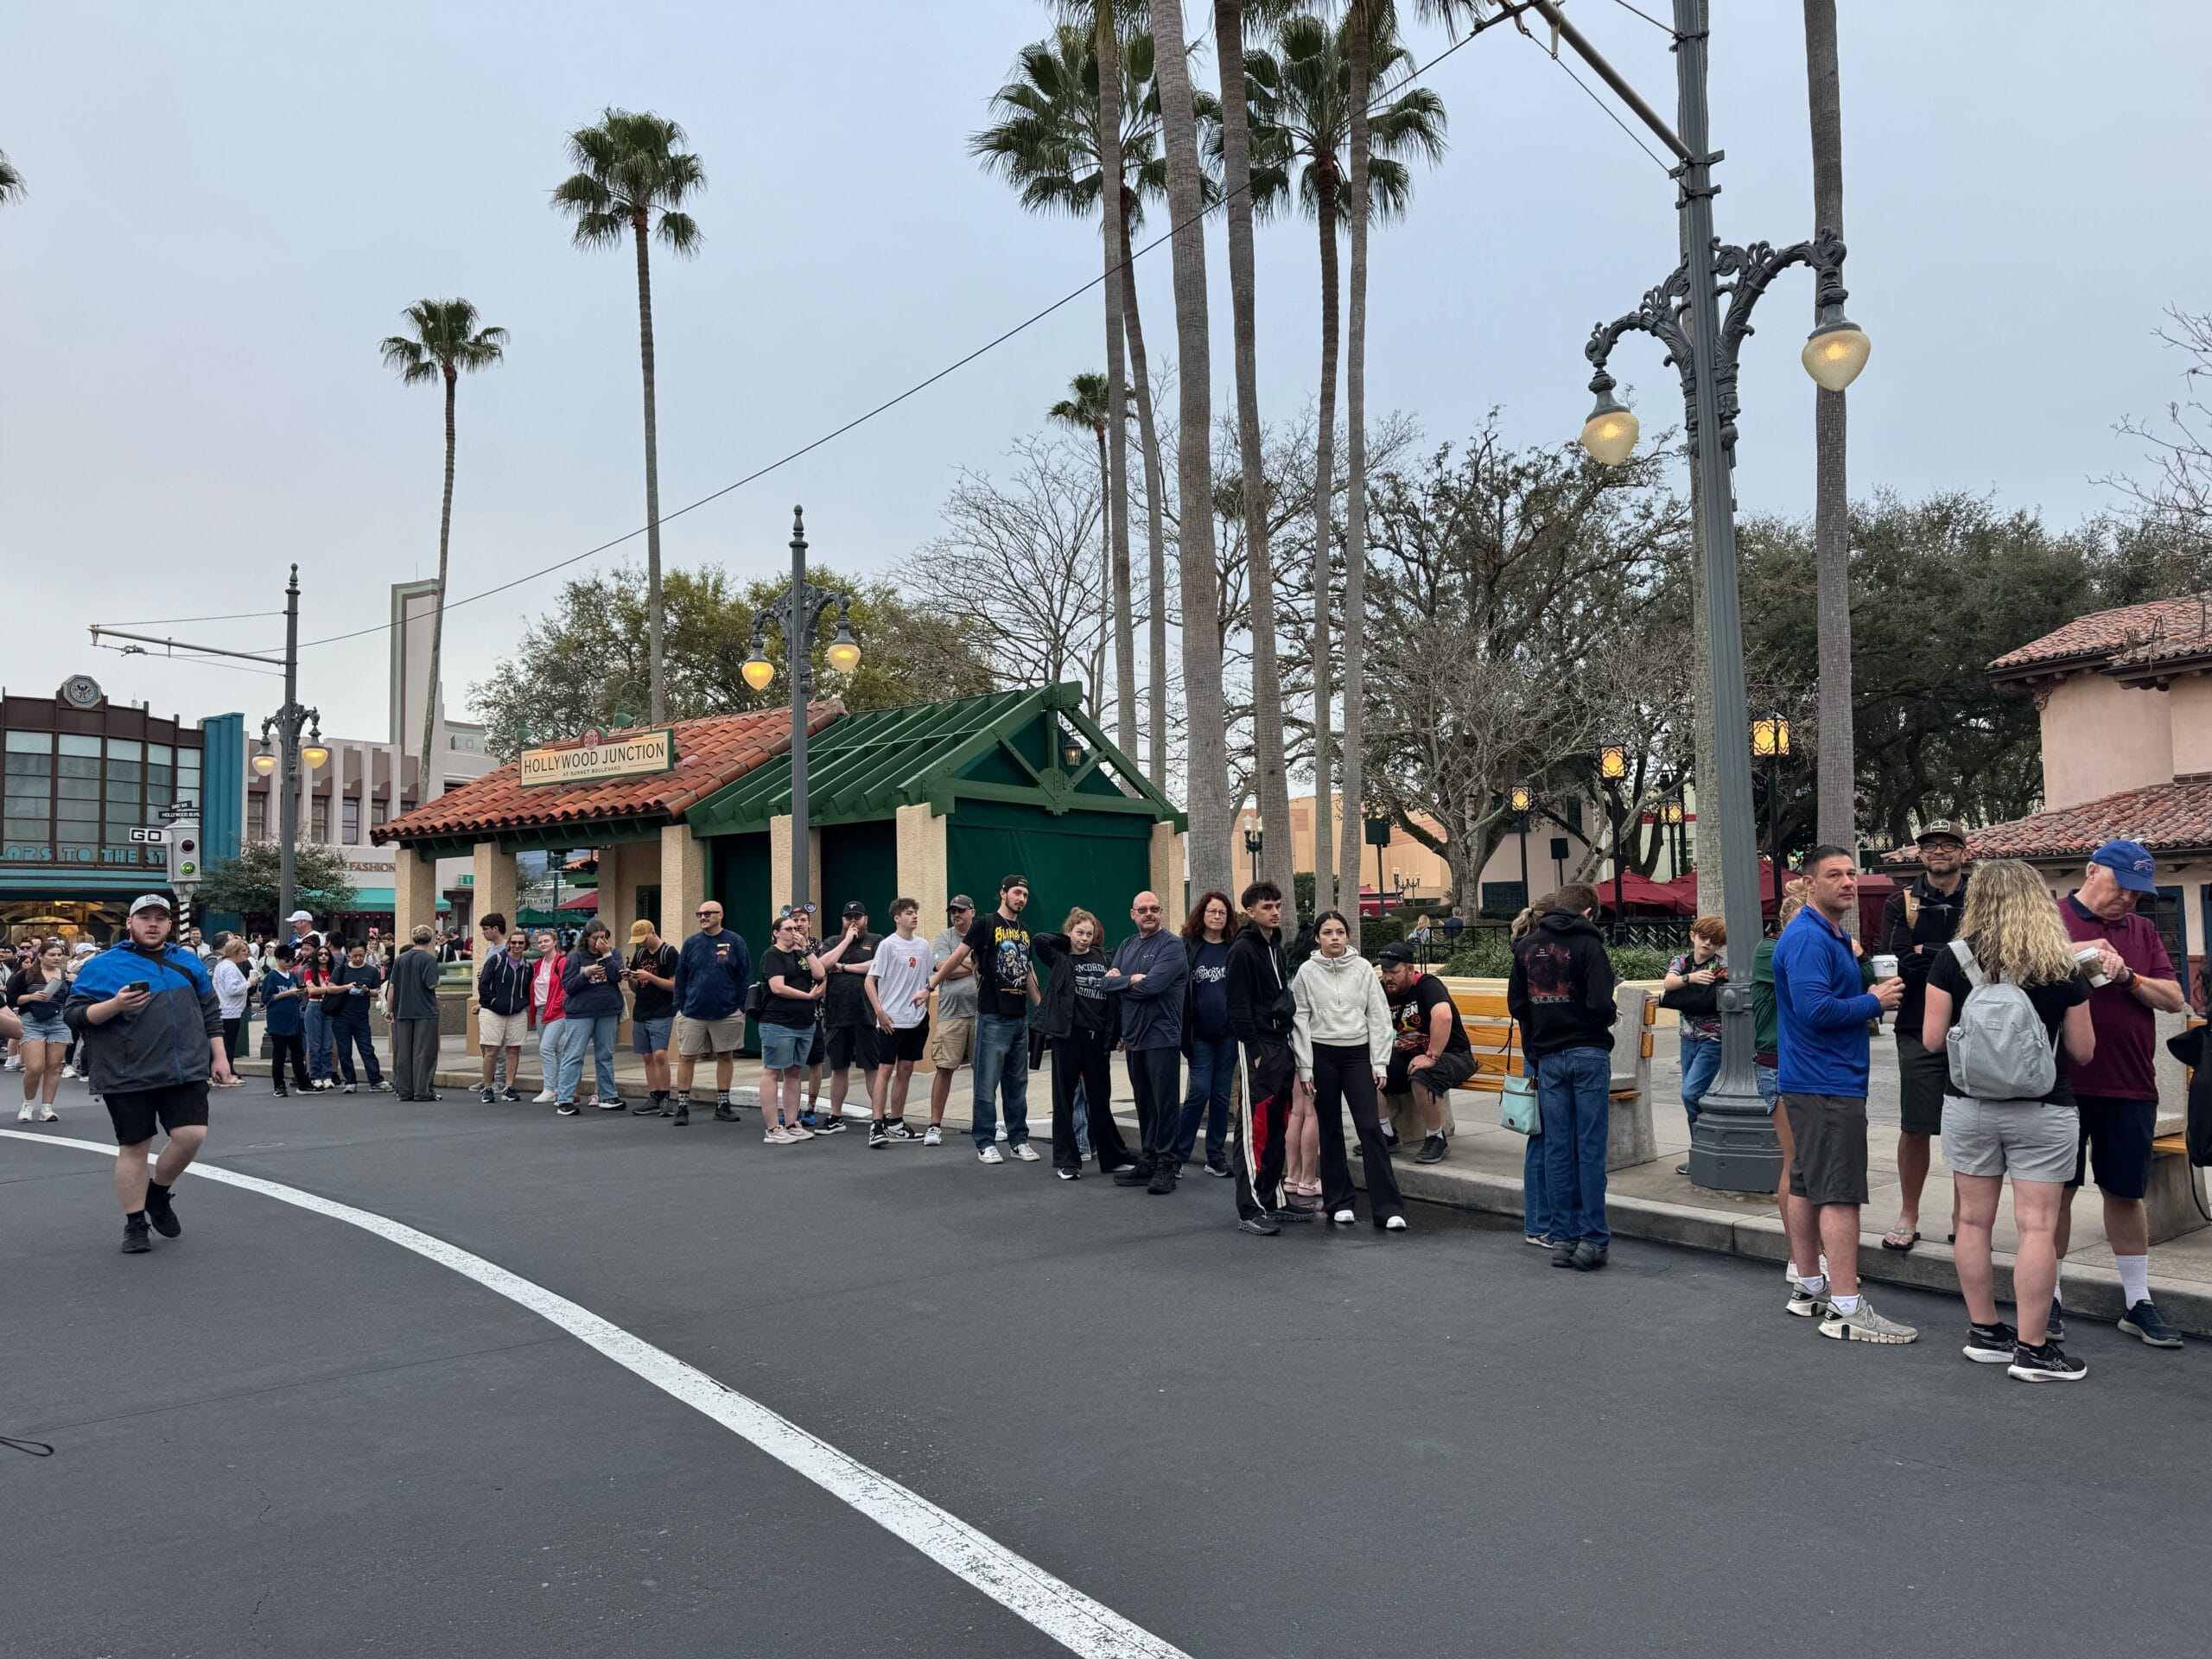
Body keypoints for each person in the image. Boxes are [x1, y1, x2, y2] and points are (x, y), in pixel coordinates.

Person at [1923, 858, 2095, 1381]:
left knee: (1972, 1222)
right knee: (2036, 1227)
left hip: (1970, 1107)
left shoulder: (1952, 960)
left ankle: (1984, 1333)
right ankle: (2034, 1349)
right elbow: (2084, 1051)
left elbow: (1932, 1041)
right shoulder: (2060, 964)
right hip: (2044, 1109)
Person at [2054, 838, 2191, 1349]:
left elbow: (2173, 997)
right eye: (2122, 888)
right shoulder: (2051, 919)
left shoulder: (2143, 931)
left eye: (2138, 893)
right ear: (2092, 871)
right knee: (2057, 1193)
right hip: (2061, 1083)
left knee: (2126, 1193)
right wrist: (2075, 952)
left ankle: (2138, 1300)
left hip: (2130, 1082)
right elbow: (2008, 962)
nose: (2129, 901)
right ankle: (2050, 1296)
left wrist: (2129, 976)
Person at [1771, 847, 1912, 1341]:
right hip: (1827, 1081)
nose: (1848, 882)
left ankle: (1808, 1285)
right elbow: (1815, 1010)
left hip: (1812, 1080)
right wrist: (1873, 1000)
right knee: (1840, 1191)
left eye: (1852, 873)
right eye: (1835, 875)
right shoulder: (1810, 937)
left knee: (1809, 1183)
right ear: (1809, 884)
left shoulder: (1824, 934)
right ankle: (1847, 1306)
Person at [64, 893, 235, 1253]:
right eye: (145, 917)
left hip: (185, 1066)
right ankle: (135, 1223)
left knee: (191, 1135)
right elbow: (75, 1015)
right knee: (134, 1147)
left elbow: (210, 1012)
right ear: (130, 923)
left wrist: (220, 1058)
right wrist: (115, 1004)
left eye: (160, 917)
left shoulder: (187, 962)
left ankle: (157, 1194)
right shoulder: (104, 965)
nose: (153, 923)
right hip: (127, 1072)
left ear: (171, 924)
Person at [1509, 885, 1618, 1271]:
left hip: (1548, 1055)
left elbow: (1518, 1005)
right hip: (1588, 1051)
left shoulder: (1526, 948)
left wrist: (1537, 1045)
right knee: (1589, 1147)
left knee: (1557, 1147)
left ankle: (1563, 1237)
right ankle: (1592, 1238)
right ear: (1587, 912)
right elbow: (1601, 1005)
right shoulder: (1589, 947)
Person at [1877, 822, 1971, 1253]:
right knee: (1915, 1125)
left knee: (1968, 1128)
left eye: (1948, 845)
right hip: (1916, 1026)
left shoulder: (1980, 898)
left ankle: (1963, 1218)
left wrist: (1925, 953)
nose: (1939, 851)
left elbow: (1988, 952)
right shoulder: (1901, 902)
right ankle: (1908, 1214)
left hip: (1976, 1027)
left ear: (1963, 853)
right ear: (1920, 854)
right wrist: (1953, 954)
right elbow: (1899, 963)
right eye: (1930, 845)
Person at [1289, 910, 1406, 1230]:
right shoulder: (1306, 973)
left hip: (1357, 1055)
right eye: (1327, 932)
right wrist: (1304, 1067)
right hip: (1322, 1054)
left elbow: (1379, 1015)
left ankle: (1388, 1208)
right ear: (1318, 938)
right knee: (1330, 1128)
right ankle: (1339, 1202)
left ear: (1348, 936)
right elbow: (1299, 1019)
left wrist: (1379, 1060)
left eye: (1340, 931)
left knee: (1370, 1127)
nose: (1335, 938)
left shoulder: (1364, 969)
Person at [928, 875, 1039, 1165]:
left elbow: (1028, 973)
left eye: (1025, 895)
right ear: (1003, 893)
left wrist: (1043, 1008)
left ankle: (1019, 1140)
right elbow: (955, 957)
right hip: (992, 1016)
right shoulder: (986, 924)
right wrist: (930, 986)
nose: (1021, 899)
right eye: (1017, 893)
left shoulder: (1024, 930)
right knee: (986, 1084)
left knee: (1017, 1085)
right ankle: (985, 1142)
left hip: (1019, 1018)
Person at [1224, 880, 1306, 1236]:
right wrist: (1254, 1050)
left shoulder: (1276, 947)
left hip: (1280, 1043)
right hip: (1258, 1046)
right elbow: (1237, 1007)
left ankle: (1272, 1198)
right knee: (1255, 1127)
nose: (1275, 912)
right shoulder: (1242, 950)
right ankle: (1250, 1207)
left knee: (1277, 1123)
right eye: (1267, 907)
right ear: (1250, 911)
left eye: (1277, 906)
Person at [1101, 890, 1190, 1193]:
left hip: (1162, 1037)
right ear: (1133, 914)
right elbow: (1104, 983)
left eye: (1155, 908)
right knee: (1144, 1103)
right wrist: (1131, 979)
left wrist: (1125, 981)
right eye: (1143, 909)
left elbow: (1153, 986)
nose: (1149, 913)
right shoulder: (1126, 946)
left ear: (1161, 912)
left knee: (1164, 1103)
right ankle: (1149, 1160)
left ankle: (1167, 1164)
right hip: (1134, 1038)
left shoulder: (1172, 946)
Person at [1032, 907, 1131, 1178]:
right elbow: (1039, 940)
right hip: (1069, 1035)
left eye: (1089, 933)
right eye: (1079, 933)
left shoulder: (1104, 957)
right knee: (1064, 1098)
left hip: (1098, 1038)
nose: (1085, 938)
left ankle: (1113, 1157)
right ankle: (1068, 1161)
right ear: (1069, 932)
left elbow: (1116, 996)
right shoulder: (1061, 957)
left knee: (1100, 1098)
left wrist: (1117, 1031)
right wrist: (1067, 942)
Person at [1750, 880, 1811, 1238]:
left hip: (1812, 1064)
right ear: (1784, 923)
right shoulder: (1768, 951)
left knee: (1816, 1164)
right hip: (1778, 1062)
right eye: (1800, 922)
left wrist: (1860, 957)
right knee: (1797, 1161)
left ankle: (1816, 1250)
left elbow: (1863, 977)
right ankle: (1800, 1255)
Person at [1377, 939, 1473, 1165]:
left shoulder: (1428, 985)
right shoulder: (1382, 989)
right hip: (1406, 1056)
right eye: (1384, 971)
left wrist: (1431, 1056)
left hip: (1452, 1055)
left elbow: (1443, 1016)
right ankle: (1386, 1134)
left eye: (1394, 971)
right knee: (1366, 1070)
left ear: (1410, 969)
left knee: (1423, 1075)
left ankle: (1436, 1138)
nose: (1387, 977)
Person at [669, 899, 751, 1127]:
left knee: (725, 1056)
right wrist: (679, 1008)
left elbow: (744, 975)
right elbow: (681, 977)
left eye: (708, 913)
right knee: (687, 1057)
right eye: (700, 914)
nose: (703, 917)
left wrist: (740, 1006)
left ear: (720, 915)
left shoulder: (735, 941)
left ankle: (723, 1105)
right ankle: (683, 1106)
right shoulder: (691, 943)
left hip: (727, 1011)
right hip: (692, 1011)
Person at [1173, 891, 1236, 1179]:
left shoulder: (1234, 947)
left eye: (1222, 912)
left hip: (1229, 1034)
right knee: (1198, 1091)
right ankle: (1178, 1156)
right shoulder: (1189, 946)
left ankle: (1215, 1156)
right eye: (1212, 911)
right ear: (1202, 914)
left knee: (1221, 1095)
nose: (1217, 917)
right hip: (1199, 1033)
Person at [863, 897, 932, 1147]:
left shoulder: (924, 946)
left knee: (906, 1069)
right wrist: (879, 1012)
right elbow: (869, 981)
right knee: (885, 1069)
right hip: (891, 1019)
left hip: (916, 1020)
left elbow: (930, 978)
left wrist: (925, 995)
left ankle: (896, 1122)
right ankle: (876, 1124)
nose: (914, 916)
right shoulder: (887, 946)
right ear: (897, 918)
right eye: (909, 913)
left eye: (915, 912)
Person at [1661, 915, 1727, 1172]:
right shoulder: (1680, 961)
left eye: (1714, 940)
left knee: (1691, 1093)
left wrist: (1669, 998)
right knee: (1693, 1097)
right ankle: (1700, 1153)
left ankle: (1705, 1150)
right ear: (1692, 935)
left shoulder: (1721, 967)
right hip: (1687, 1038)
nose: (1707, 943)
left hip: (1712, 1039)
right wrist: (1691, 980)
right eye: (1703, 937)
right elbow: (1669, 983)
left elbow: (1703, 1002)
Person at [1506, 902, 1554, 1247]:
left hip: (1532, 1052)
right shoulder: (1538, 956)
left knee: (1541, 1137)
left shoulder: (1524, 953)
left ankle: (1538, 1221)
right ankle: (1538, 1223)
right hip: (1540, 1054)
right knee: (1543, 1138)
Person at [758, 909, 823, 1144]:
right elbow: (777, 987)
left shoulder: (801, 954)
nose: (794, 932)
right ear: (776, 933)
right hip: (778, 1022)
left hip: (803, 1023)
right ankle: (773, 1128)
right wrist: (807, 997)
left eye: (797, 928)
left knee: (794, 1073)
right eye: (789, 929)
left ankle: (792, 1122)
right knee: (772, 1071)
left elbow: (820, 973)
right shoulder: (772, 955)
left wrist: (806, 948)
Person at [812, 901, 879, 1135]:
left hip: (866, 1015)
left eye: (858, 918)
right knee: (839, 1067)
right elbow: (821, 966)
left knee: (872, 1067)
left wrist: (844, 967)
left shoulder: (876, 941)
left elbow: (876, 966)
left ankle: (878, 1118)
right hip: (837, 1014)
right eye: (849, 917)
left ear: (866, 919)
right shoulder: (832, 942)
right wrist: (847, 941)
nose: (853, 922)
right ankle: (835, 1116)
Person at [555, 919, 626, 1116]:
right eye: (596, 938)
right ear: (587, 939)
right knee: (574, 1055)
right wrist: (586, 973)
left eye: (604, 938)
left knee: (605, 1055)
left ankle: (608, 1096)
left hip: (607, 1010)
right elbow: (569, 986)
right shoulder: (576, 957)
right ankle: (565, 1099)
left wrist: (607, 956)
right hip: (580, 1012)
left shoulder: (613, 954)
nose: (600, 942)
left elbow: (616, 977)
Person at [924, 897, 979, 1148]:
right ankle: (935, 1125)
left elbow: (987, 967)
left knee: (984, 1072)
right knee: (944, 1069)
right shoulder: (944, 938)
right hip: (951, 1014)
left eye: (961, 911)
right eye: (953, 912)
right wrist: (974, 966)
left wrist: (956, 964)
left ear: (972, 912)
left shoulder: (982, 934)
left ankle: (985, 1123)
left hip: (982, 1014)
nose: (956, 915)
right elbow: (942, 968)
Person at [8, 938, 72, 1122]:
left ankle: (47, 1108)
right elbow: (11, 998)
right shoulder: (26, 974)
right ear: (41, 956)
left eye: (59, 955)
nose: (56, 958)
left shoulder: (65, 975)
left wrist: (73, 983)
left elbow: (72, 997)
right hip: (32, 1019)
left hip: (58, 1021)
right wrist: (31, 997)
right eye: (52, 955)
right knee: (35, 1067)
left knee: (53, 1067)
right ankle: (28, 1103)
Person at [470, 915, 530, 1103]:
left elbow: (528, 988)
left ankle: (508, 1086)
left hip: (516, 1011)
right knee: (491, 1049)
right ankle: (488, 1086)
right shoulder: (495, 959)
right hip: (493, 1010)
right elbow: (484, 984)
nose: (517, 946)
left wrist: (521, 1003)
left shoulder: (527, 967)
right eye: (514, 942)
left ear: (525, 946)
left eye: (521, 943)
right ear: (509, 944)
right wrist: (490, 1002)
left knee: (513, 1049)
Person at [625, 918, 681, 1116]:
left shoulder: (669, 953)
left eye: (644, 938)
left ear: (653, 932)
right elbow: (636, 987)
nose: (642, 943)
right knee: (647, 1055)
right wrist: (631, 978)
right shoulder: (640, 954)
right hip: (642, 1008)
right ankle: (654, 1095)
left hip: (661, 1009)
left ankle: (665, 1096)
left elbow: (675, 985)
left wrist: (650, 977)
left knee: (659, 1054)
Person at [388, 924, 443, 1102]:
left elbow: (392, 986)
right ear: (430, 939)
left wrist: (389, 1009)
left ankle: (404, 1090)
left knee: (403, 1052)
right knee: (423, 1052)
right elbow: (431, 984)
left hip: (403, 1009)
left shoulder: (401, 959)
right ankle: (423, 1091)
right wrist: (439, 982)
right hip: (425, 1010)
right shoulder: (429, 959)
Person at [328, 939, 389, 1094]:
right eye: (354, 955)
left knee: (367, 1049)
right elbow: (331, 988)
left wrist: (366, 991)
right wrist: (346, 987)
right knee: (344, 1050)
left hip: (361, 1016)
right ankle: (350, 1081)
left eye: (361, 955)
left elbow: (378, 991)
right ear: (348, 953)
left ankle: (376, 1080)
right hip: (341, 1015)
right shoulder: (341, 970)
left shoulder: (371, 971)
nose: (357, 958)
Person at [259, 942, 312, 1096]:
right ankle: (279, 1085)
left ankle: (303, 1083)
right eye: (286, 959)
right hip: (278, 1022)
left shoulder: (293, 977)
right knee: (279, 1055)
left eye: (291, 959)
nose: (289, 962)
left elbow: (295, 999)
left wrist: (299, 993)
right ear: (278, 959)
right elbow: (266, 998)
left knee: (297, 1054)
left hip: (293, 1021)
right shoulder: (272, 977)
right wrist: (288, 993)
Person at [527, 930, 567, 1103]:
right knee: (554, 1050)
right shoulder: (537, 964)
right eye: (539, 942)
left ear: (555, 942)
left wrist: (556, 1005)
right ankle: (559, 1088)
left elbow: (566, 987)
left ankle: (549, 1088)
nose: (542, 944)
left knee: (546, 1048)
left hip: (558, 1011)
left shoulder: (562, 962)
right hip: (541, 1010)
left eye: (546, 941)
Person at [211, 937, 251, 1081]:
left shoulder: (223, 965)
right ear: (235, 952)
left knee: (227, 1041)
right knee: (229, 1042)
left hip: (226, 1009)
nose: (246, 954)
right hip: (229, 1011)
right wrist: (249, 983)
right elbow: (232, 989)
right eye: (243, 951)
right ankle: (227, 1070)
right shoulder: (229, 967)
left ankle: (227, 1067)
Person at [300, 942, 339, 1090]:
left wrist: (323, 989)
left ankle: (327, 1075)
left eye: (326, 954)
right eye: (321, 954)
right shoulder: (310, 972)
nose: (324, 956)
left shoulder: (334, 971)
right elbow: (311, 990)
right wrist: (329, 989)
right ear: (316, 956)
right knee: (314, 1044)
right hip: (314, 1006)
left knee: (328, 1044)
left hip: (329, 1008)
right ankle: (315, 1076)